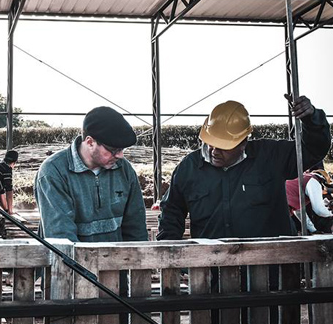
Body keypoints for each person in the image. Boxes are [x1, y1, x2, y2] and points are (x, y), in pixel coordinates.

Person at [158, 95, 331, 240]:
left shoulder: (271, 157)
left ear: (243, 143)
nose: (214, 151)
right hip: (213, 265)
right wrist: (170, 253)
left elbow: (312, 150)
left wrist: (311, 120)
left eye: (223, 146)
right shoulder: (189, 168)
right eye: (210, 143)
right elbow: (171, 211)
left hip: (270, 264)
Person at [35, 106, 148, 242]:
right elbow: (61, 239)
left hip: (117, 256)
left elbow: (136, 229)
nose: (120, 155)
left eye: (122, 149)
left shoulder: (124, 170)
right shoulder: (54, 172)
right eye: (114, 149)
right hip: (70, 256)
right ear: (90, 142)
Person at [286, 169, 333, 234]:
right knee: (290, 233)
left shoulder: (303, 179)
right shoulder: (313, 181)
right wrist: (331, 213)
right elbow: (319, 210)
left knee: (290, 232)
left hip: (279, 205)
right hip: (282, 207)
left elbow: (300, 213)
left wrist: (313, 230)